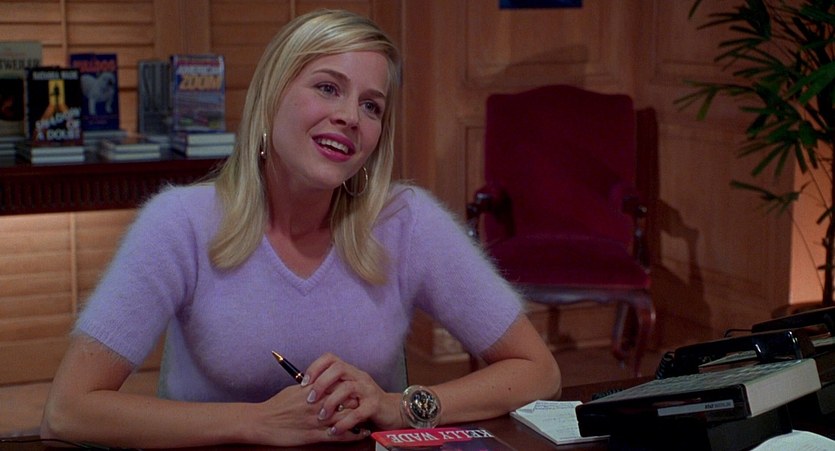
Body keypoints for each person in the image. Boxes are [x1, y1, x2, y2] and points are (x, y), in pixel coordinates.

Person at [40, 9, 561, 448]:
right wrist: (257, 422)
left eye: (371, 105)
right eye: (328, 88)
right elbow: (68, 410)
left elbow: (538, 370)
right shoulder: (178, 223)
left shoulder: (407, 220)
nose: (351, 116)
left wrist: (402, 406)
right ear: (271, 97)